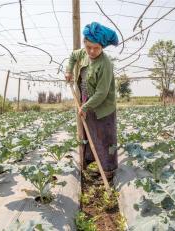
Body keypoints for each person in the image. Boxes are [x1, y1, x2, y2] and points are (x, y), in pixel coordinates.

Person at [65, 22, 118, 180]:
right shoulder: (82, 53)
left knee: (104, 138)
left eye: (96, 48)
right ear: (84, 43)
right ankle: (90, 163)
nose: (92, 51)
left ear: (102, 47)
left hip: (102, 108)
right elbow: (73, 56)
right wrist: (69, 70)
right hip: (87, 104)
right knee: (89, 135)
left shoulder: (105, 64)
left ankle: (108, 171)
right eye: (89, 47)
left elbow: (101, 93)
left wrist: (85, 106)